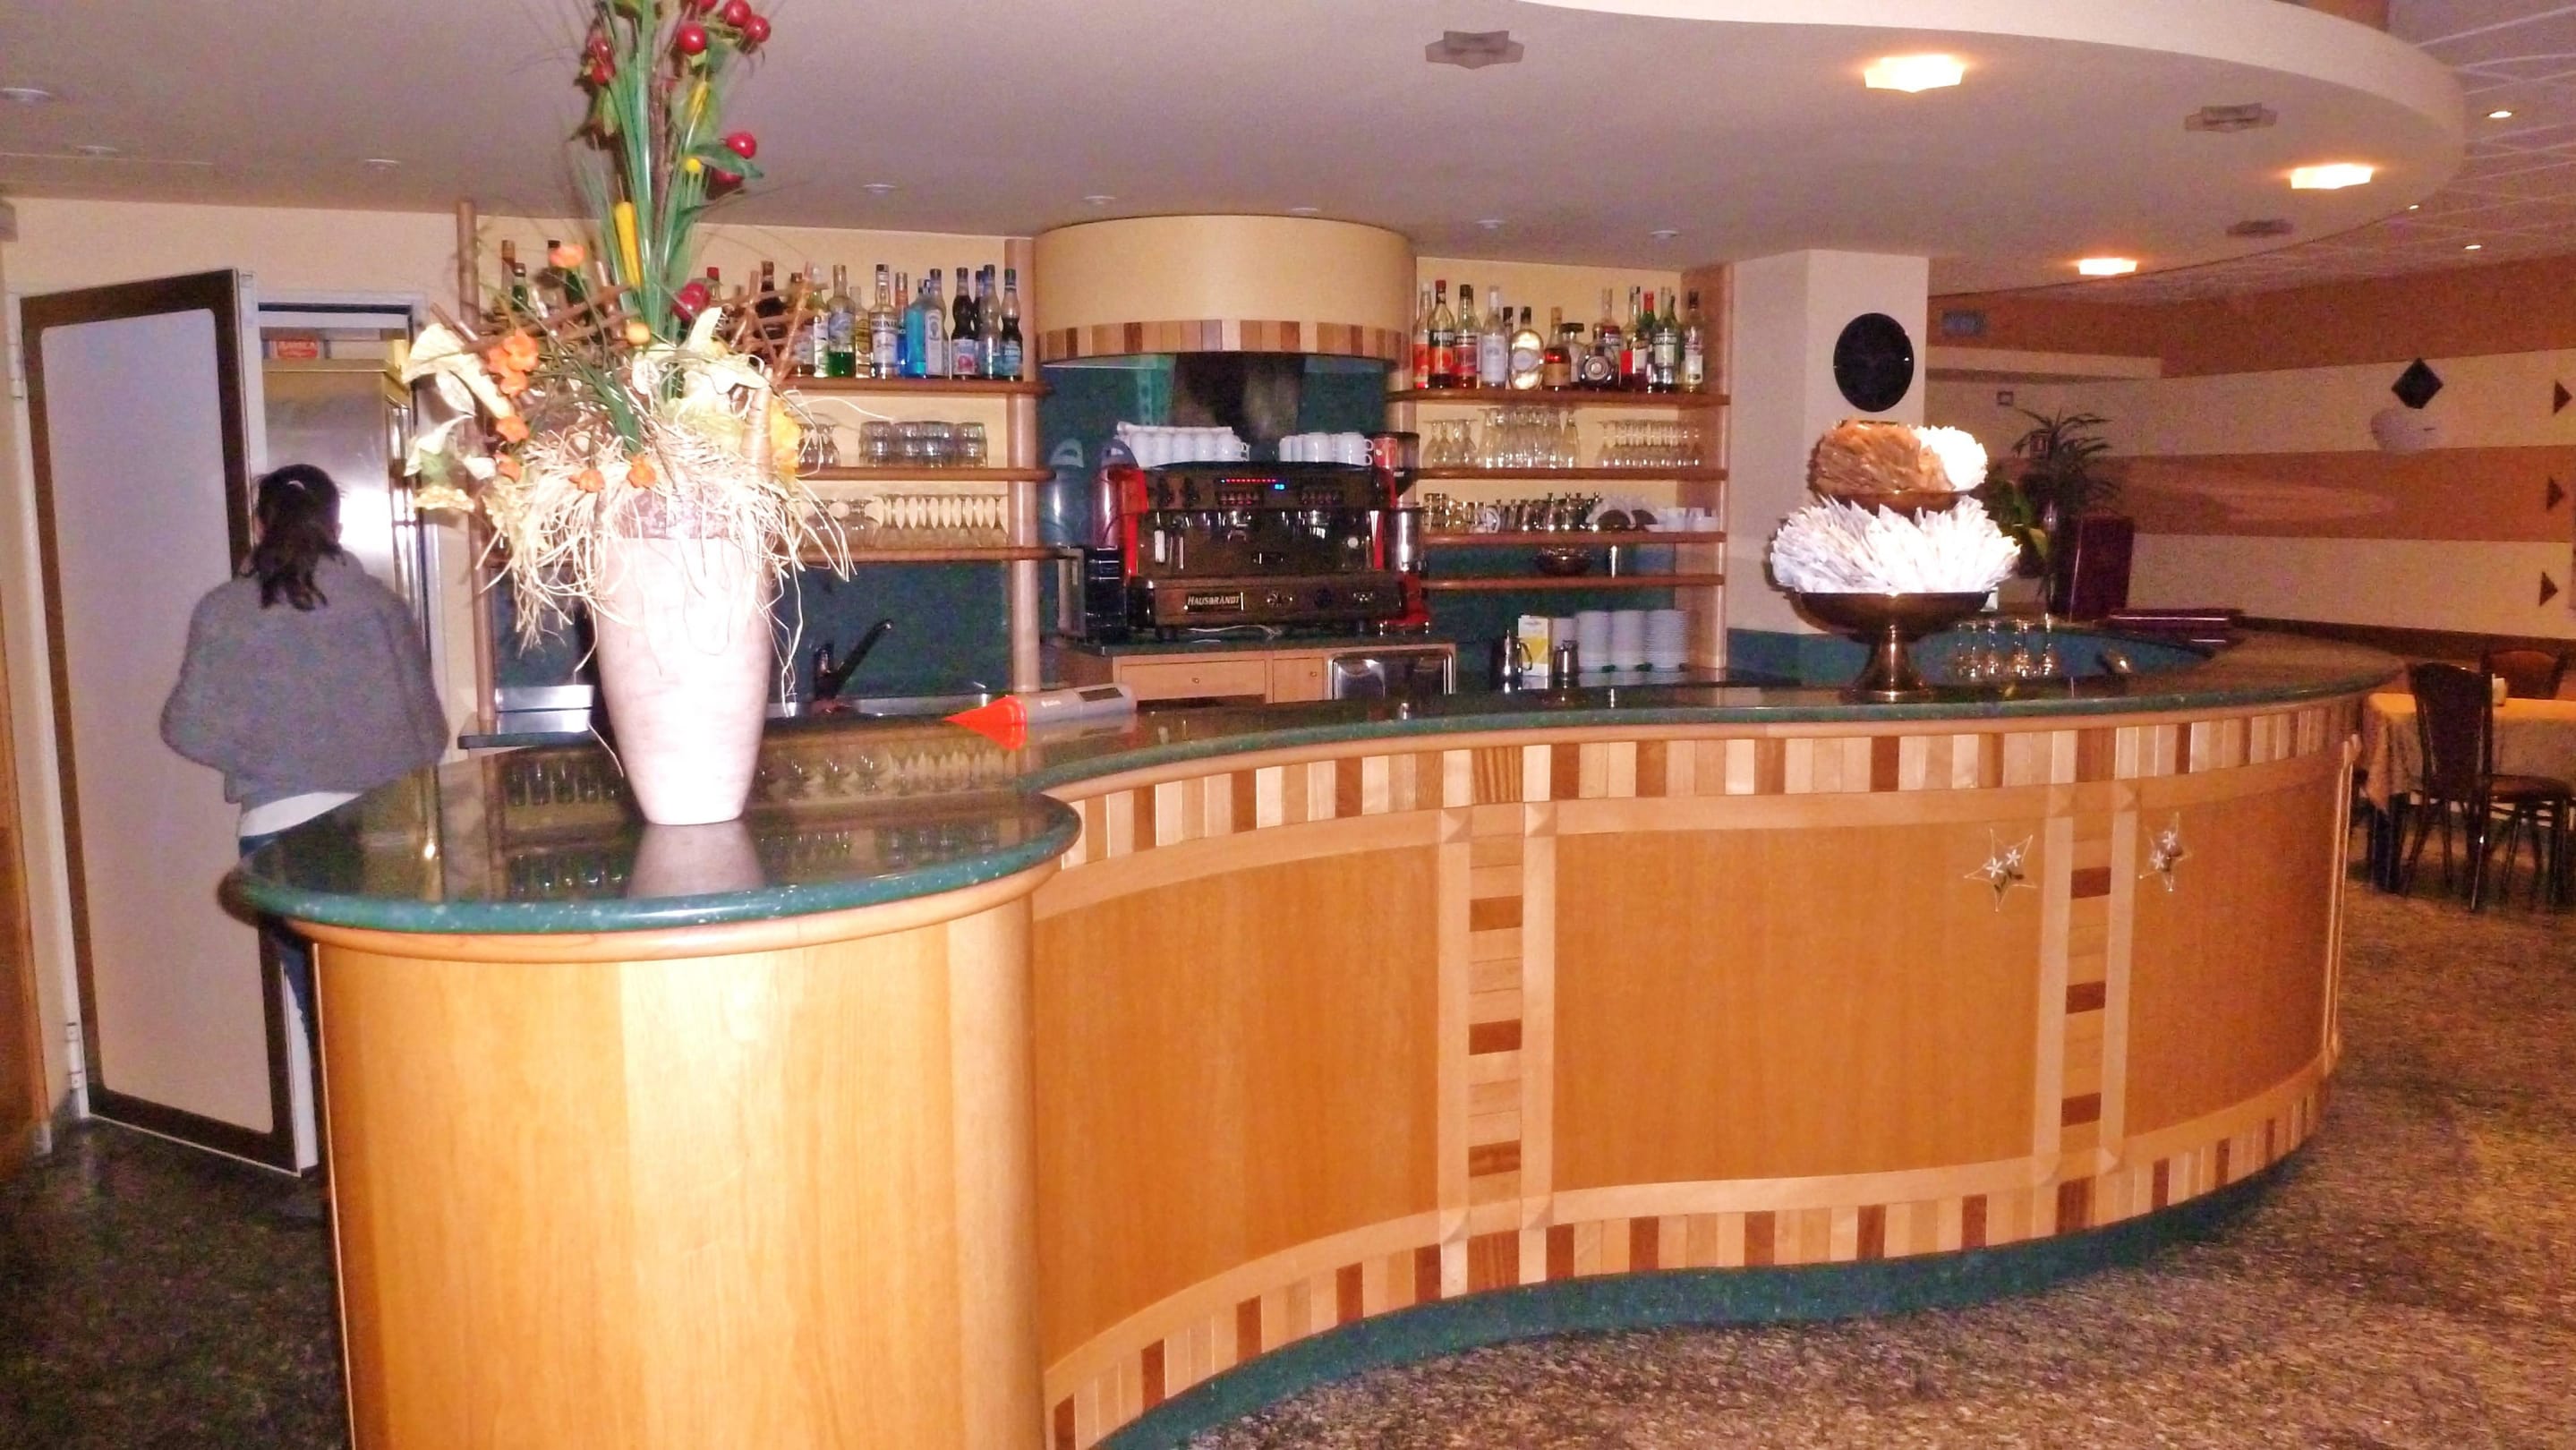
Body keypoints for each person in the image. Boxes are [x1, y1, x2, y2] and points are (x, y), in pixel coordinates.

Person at [160, 463, 449, 1044]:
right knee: (393, 1012)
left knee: (323, 1020)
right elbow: (429, 736)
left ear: (259, 524)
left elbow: (186, 728)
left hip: (279, 829)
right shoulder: (381, 606)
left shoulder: (224, 610)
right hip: (384, 828)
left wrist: (273, 752)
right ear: (335, 526)